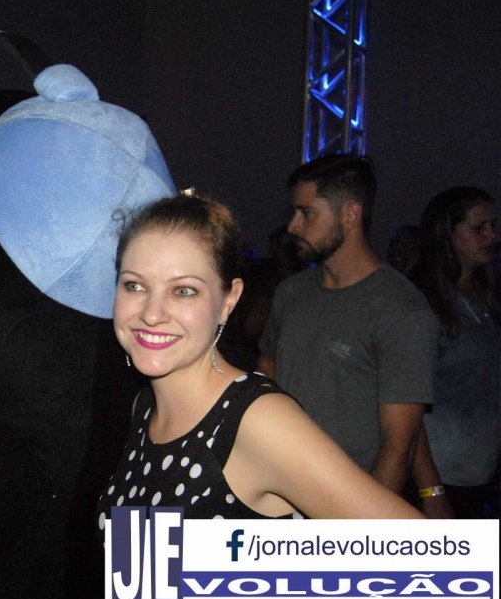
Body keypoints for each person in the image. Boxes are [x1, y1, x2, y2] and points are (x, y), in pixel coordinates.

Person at [97, 193, 422, 523]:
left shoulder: (257, 421)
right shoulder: (144, 407)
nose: (151, 314)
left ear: (228, 301)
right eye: (134, 286)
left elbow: (423, 548)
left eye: (184, 291)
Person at [257, 154, 451, 517]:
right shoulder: (291, 292)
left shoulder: (401, 309)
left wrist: (361, 530)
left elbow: (399, 442)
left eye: (306, 213)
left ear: (350, 215)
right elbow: (266, 373)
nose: (293, 226)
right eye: (294, 213)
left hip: (346, 501)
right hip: (276, 493)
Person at [409, 186, 500, 518]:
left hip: (481, 471)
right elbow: (407, 405)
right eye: (479, 228)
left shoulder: (487, 298)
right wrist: (431, 490)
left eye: (493, 226)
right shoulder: (426, 306)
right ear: (447, 235)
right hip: (441, 475)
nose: (491, 236)